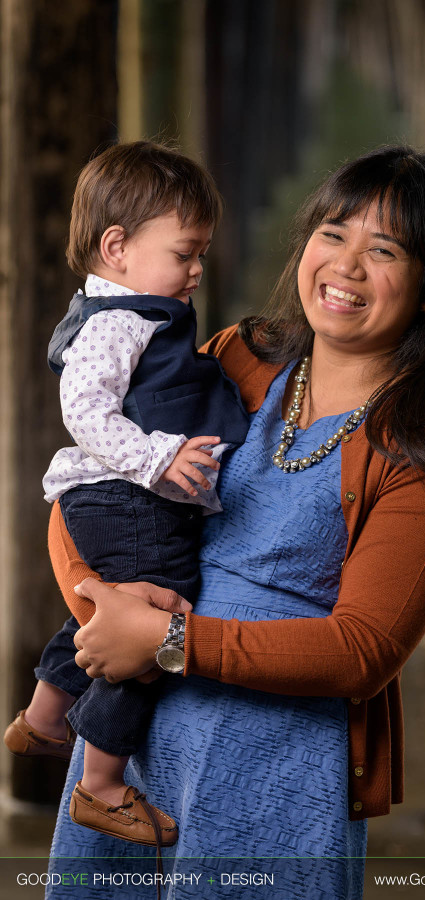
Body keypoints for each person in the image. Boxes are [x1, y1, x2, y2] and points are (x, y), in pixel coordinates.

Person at [45, 145, 425, 898]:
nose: (347, 265)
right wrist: (95, 604)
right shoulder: (241, 356)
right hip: (130, 753)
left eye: (385, 248)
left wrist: (166, 641)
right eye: (333, 233)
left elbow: (363, 650)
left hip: (277, 762)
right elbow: (102, 482)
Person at [3, 141, 249, 846]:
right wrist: (157, 459)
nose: (197, 268)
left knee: (122, 603)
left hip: (118, 497)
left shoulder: (136, 312)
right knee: (150, 627)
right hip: (123, 494)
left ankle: (47, 715)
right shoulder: (119, 321)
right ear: (117, 248)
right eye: (185, 252)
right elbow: (83, 410)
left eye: (201, 252)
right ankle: (102, 784)